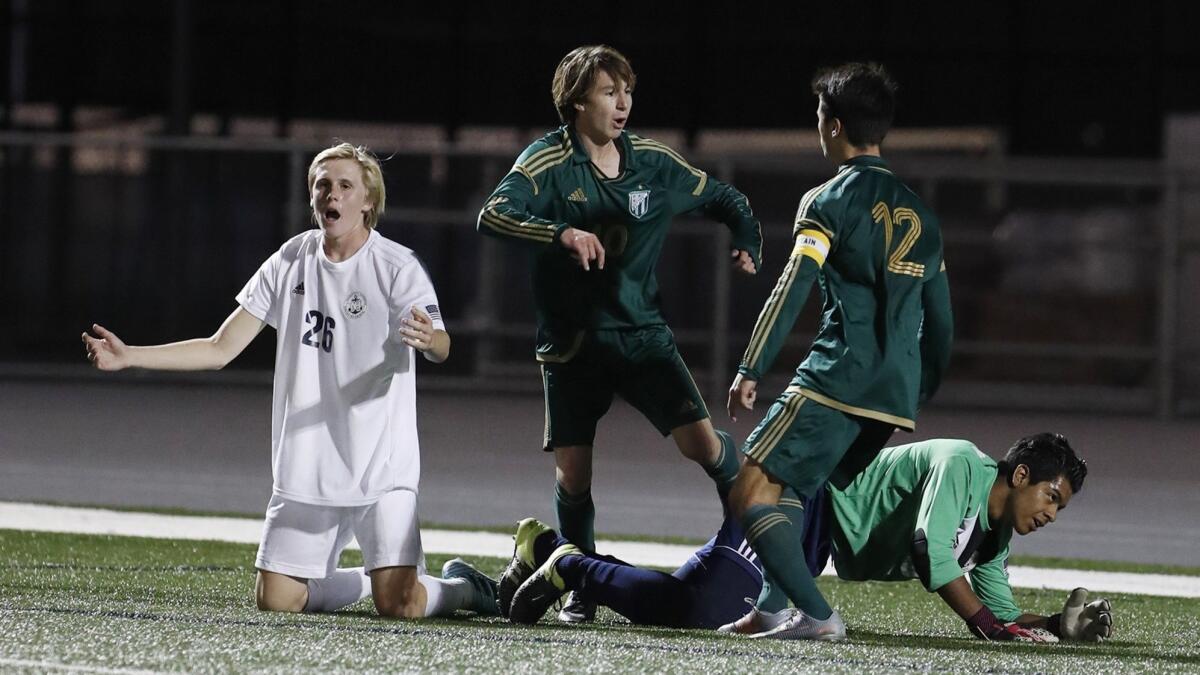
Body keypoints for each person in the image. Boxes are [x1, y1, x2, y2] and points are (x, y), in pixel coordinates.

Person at [82, 142, 498, 619]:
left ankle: (465, 588)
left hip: (380, 470)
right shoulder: (291, 260)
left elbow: (443, 345)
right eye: (323, 185)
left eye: (345, 186)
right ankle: (367, 580)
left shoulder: (395, 267)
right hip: (307, 467)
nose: (331, 195)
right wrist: (130, 355)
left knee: (402, 606)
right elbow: (221, 347)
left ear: (368, 201)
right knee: (276, 601)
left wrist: (430, 340)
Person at [476, 44, 763, 621]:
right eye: (610, 91)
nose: (623, 102)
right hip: (572, 345)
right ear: (578, 100)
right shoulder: (546, 161)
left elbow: (725, 198)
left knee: (703, 447)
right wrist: (562, 233)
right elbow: (493, 215)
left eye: (627, 90)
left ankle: (759, 540)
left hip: (641, 337)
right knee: (573, 476)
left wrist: (746, 238)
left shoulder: (653, 162)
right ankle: (581, 580)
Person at [726, 62, 953, 640]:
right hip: (893, 391)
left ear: (834, 126)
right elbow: (943, 326)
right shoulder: (922, 214)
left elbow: (792, 286)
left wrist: (753, 364)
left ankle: (820, 617)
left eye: (819, 115)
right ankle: (772, 606)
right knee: (795, 486)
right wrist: (916, 389)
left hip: (838, 375)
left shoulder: (828, 200)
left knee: (749, 488)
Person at [503, 434, 1114, 646]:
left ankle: (550, 550)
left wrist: (1055, 625)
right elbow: (931, 547)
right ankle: (571, 567)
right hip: (800, 495)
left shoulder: (993, 536)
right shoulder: (961, 464)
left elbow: (997, 615)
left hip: (814, 534)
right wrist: (987, 623)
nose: (1053, 513)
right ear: (1022, 475)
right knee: (698, 609)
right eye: (1053, 497)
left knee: (695, 595)